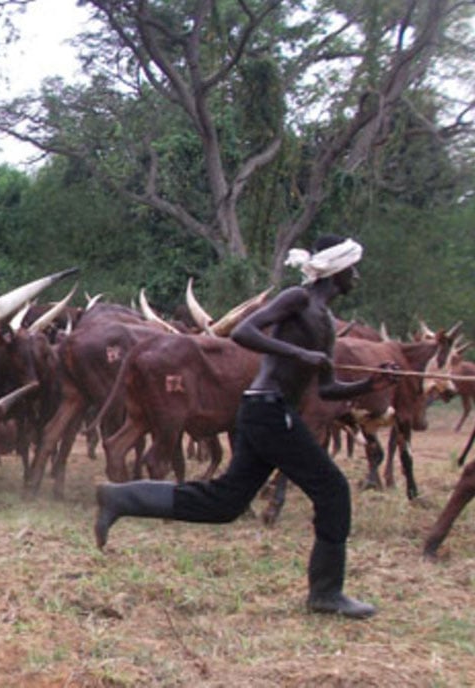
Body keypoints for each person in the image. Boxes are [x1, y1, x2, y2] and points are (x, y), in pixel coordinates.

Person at [94, 235, 398, 619]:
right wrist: (298, 352)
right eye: (353, 269)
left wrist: (369, 384)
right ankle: (326, 592)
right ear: (337, 269)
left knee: (225, 503)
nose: (357, 276)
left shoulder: (325, 323)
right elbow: (244, 332)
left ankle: (121, 498)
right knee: (334, 490)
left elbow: (326, 388)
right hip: (268, 409)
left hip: (267, 411)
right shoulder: (298, 299)